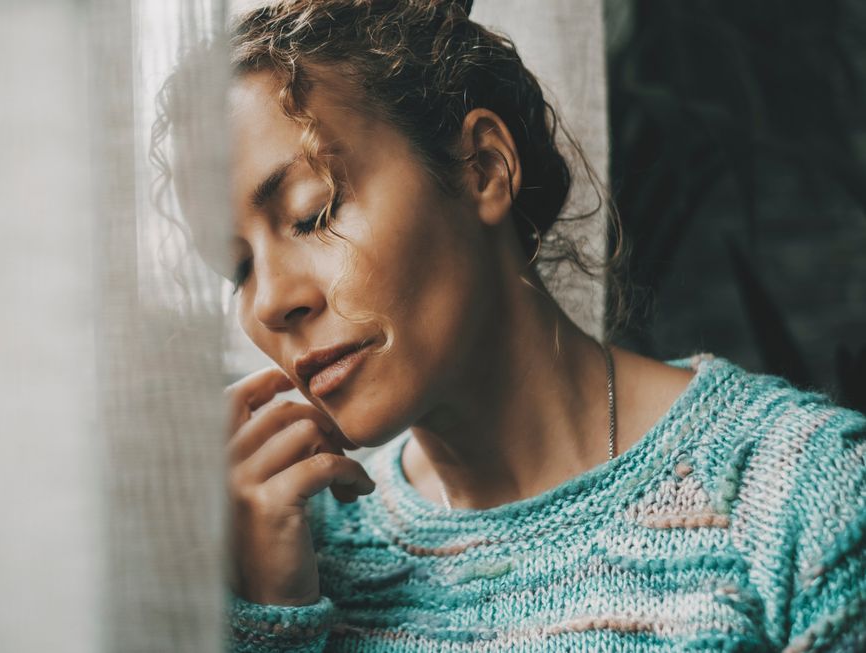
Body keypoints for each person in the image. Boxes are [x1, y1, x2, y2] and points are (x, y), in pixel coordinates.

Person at [154, 1, 866, 650]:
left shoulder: (796, 493)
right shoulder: (292, 551)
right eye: (237, 268)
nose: (270, 302)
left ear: (483, 167)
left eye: (314, 212)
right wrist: (273, 620)